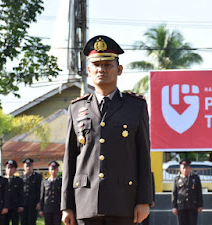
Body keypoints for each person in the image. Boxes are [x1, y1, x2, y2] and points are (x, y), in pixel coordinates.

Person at [61, 35, 153, 225]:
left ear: (119, 69)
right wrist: (66, 205)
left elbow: (143, 156)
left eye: (107, 65)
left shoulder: (135, 106)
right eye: (96, 65)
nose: (101, 69)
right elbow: (70, 158)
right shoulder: (77, 108)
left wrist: (144, 201)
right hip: (85, 202)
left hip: (123, 202)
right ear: (89, 70)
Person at [172, 159, 203, 225]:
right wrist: (174, 207)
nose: (185, 170)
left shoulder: (195, 178)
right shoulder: (177, 179)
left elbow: (199, 192)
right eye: (183, 168)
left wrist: (200, 205)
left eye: (187, 168)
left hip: (192, 206)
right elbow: (174, 193)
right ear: (180, 169)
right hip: (181, 206)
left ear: (190, 168)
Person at [20, 158, 42, 225]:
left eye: (30, 166)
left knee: (32, 221)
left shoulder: (37, 177)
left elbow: (40, 190)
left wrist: (39, 202)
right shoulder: (20, 177)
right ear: (23, 167)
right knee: (23, 221)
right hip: (23, 204)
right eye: (26, 166)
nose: (28, 168)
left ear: (32, 166)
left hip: (33, 203)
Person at [4, 160, 24, 225]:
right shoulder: (2, 180)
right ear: (5, 169)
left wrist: (21, 205)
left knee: (15, 222)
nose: (10, 170)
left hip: (15, 207)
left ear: (15, 170)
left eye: (12, 168)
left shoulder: (19, 180)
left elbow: (21, 193)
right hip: (4, 207)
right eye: (8, 168)